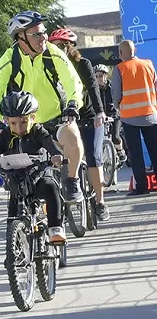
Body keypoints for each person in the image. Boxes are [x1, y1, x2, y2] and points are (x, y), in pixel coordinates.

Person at [0, 10, 87, 203]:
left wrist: (73, 104)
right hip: (28, 123)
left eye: (44, 32)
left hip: (57, 116)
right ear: (21, 37)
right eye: (36, 34)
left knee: (72, 138)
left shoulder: (52, 53)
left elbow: (72, 81)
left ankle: (72, 179)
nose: (43, 38)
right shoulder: (10, 58)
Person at [0, 89, 68, 245]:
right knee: (12, 216)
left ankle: (55, 228)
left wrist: (56, 154)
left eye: (24, 122)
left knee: (51, 188)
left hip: (38, 177)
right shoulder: (5, 135)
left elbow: (48, 142)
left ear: (33, 117)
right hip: (16, 180)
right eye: (13, 123)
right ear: (6, 120)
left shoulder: (37, 131)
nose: (18, 127)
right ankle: (13, 250)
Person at [50, 27, 108, 220]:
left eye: (61, 46)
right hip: (65, 118)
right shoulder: (50, 67)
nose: (57, 49)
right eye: (54, 46)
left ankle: (100, 202)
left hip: (89, 116)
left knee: (93, 157)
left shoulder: (83, 64)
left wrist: (100, 112)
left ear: (70, 47)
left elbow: (93, 87)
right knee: (60, 155)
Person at [109, 39, 157, 195]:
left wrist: (118, 108)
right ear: (134, 50)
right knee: (155, 151)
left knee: (135, 154)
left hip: (130, 118)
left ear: (121, 53)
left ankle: (142, 187)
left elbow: (116, 94)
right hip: (151, 115)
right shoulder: (148, 64)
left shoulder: (120, 68)